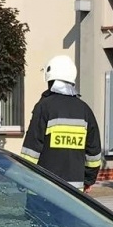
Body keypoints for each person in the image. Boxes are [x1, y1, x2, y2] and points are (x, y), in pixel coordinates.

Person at [20, 55, 103, 190]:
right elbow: (94, 154)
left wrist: (24, 179)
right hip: (74, 193)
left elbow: (31, 149)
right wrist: (88, 180)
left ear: (50, 80)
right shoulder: (85, 110)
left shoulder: (44, 106)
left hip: (43, 188)